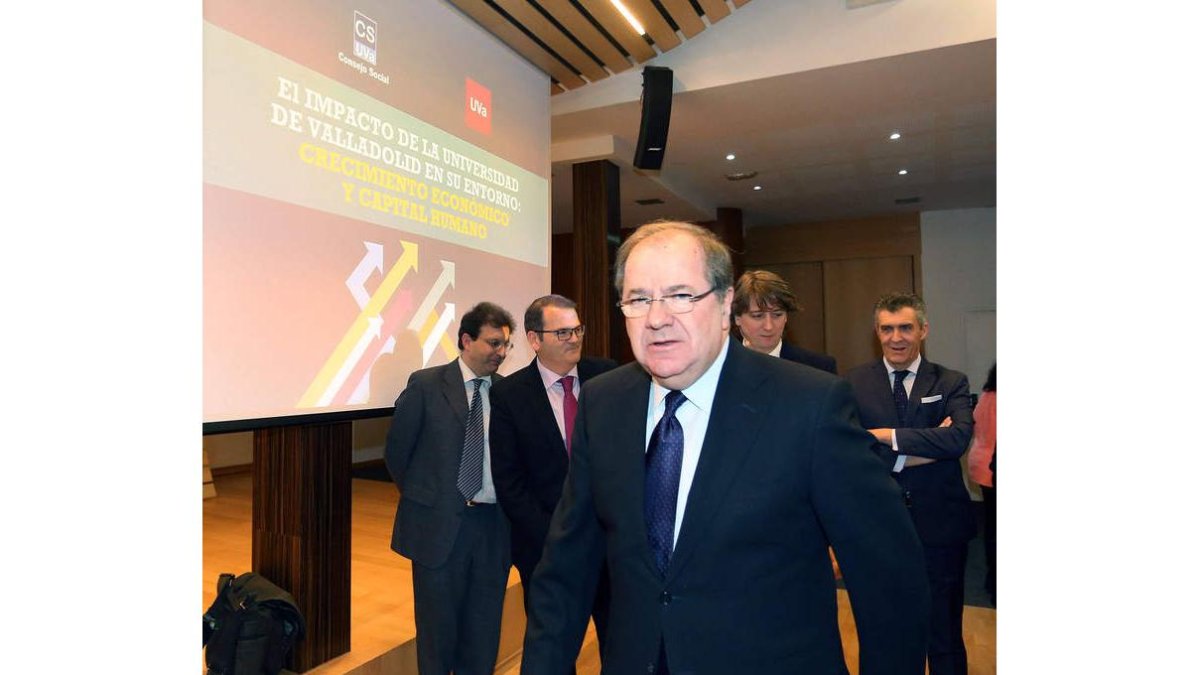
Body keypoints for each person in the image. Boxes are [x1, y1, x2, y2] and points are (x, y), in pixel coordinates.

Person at [521, 221, 929, 675]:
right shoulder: (604, 404)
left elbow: (888, 579)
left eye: (680, 295)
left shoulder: (810, 405)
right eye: (638, 299)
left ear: (724, 304)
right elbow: (566, 571)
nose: (657, 318)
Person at [844, 292, 976, 675]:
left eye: (905, 327)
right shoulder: (852, 384)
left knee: (945, 633)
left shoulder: (951, 381)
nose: (896, 337)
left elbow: (957, 440)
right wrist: (929, 444)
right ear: (877, 332)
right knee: (886, 632)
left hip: (942, 527)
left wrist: (884, 436)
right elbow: (850, 448)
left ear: (923, 330)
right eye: (887, 329)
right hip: (879, 527)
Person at [384, 301, 516, 675]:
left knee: (484, 629)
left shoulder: (508, 393)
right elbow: (398, 452)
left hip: (492, 529)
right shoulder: (426, 384)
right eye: (493, 343)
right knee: (436, 634)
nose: (501, 353)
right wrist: (428, 499)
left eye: (505, 345)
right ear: (466, 340)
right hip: (437, 528)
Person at [489, 295, 618, 660]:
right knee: (553, 656)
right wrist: (557, 538)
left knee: (619, 647)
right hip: (546, 551)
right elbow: (510, 483)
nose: (574, 338)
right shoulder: (509, 395)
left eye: (577, 329)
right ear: (534, 339)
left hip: (609, 545)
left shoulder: (608, 377)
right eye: (562, 332)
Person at [732, 269, 837, 373]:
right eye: (758, 316)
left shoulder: (819, 367)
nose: (769, 326)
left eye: (777, 315)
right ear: (737, 318)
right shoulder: (720, 365)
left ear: (786, 316)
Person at [967, 363, 997, 605]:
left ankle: (992, 579)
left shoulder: (987, 395)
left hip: (981, 463)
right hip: (993, 466)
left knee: (991, 527)